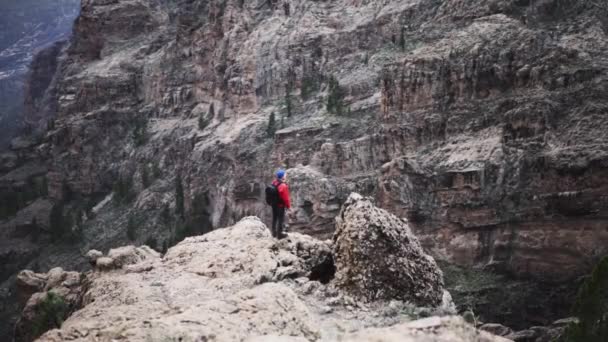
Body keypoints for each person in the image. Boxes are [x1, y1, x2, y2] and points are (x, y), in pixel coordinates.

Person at [271, 169, 290, 239]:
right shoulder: (283, 186)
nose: (286, 176)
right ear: (282, 176)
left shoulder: (274, 183)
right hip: (280, 205)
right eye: (285, 175)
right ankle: (280, 234)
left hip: (273, 204)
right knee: (280, 219)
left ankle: (273, 233)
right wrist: (288, 206)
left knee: (274, 218)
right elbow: (285, 198)